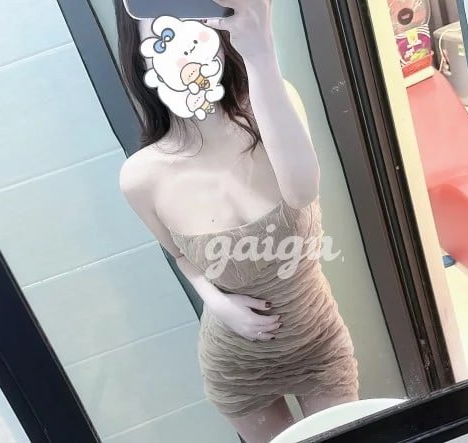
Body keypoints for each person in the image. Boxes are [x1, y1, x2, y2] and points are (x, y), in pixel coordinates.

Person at [116, 1, 359, 441]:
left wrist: (261, 53)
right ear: (139, 50)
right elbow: (180, 257)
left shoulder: (273, 103)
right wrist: (217, 302)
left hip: (318, 339)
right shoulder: (141, 177)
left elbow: (302, 191)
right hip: (237, 364)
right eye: (162, 28)